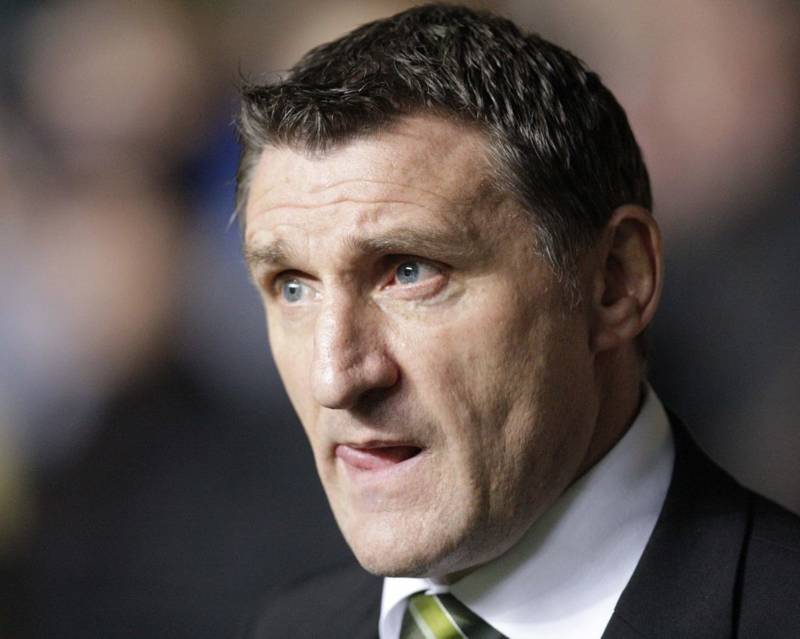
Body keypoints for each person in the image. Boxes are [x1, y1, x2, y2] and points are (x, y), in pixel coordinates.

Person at [235, 5, 800, 638]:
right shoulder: (289, 628)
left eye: (410, 271)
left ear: (616, 281)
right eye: (293, 287)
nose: (335, 378)